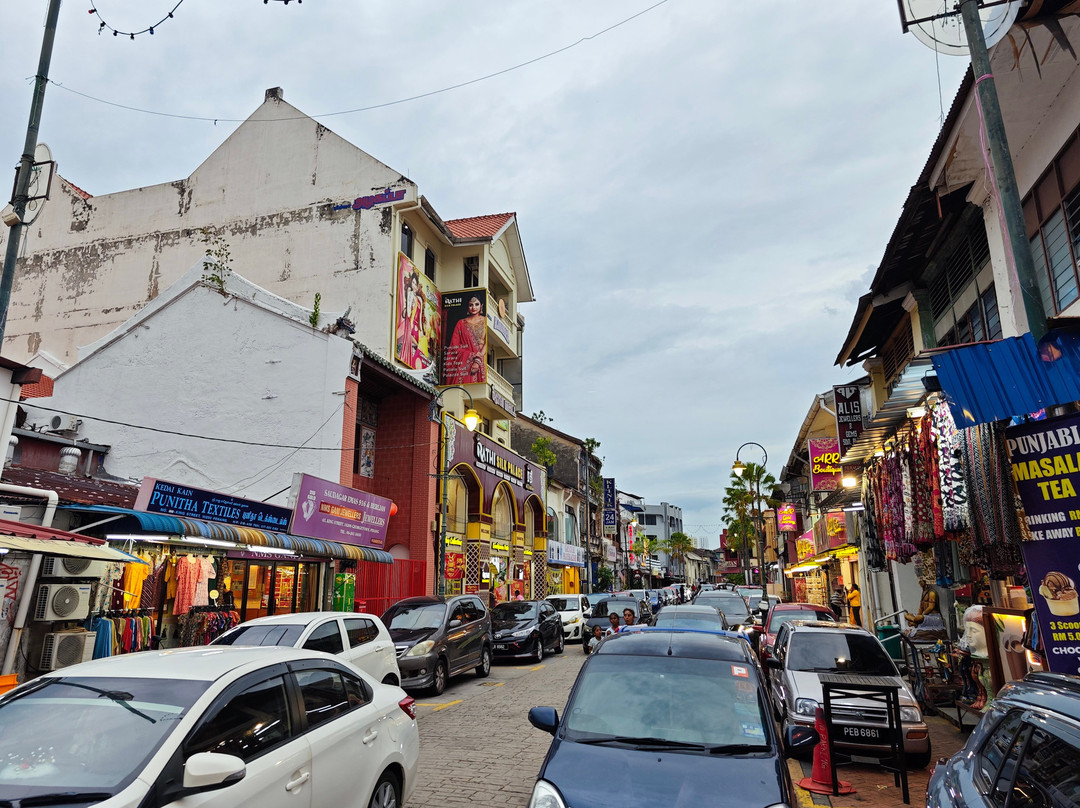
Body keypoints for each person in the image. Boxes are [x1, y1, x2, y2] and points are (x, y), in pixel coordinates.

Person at [443, 295, 486, 384]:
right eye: (471, 305)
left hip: (481, 360)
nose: (473, 307)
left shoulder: (485, 321)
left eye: (476, 304)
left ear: (481, 305)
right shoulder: (461, 323)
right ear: (467, 307)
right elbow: (454, 347)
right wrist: (471, 355)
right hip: (465, 363)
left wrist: (478, 360)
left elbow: (487, 343)